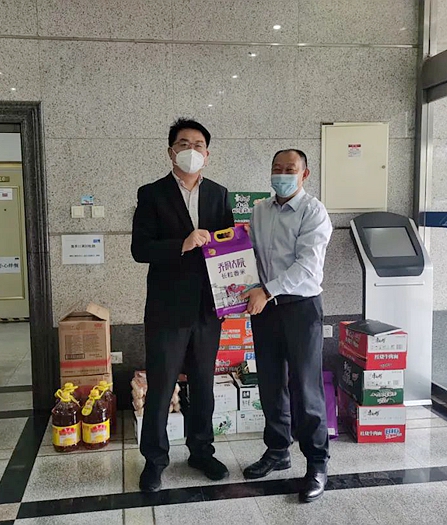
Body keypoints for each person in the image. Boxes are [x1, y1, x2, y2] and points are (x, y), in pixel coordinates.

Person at [131, 118, 234, 493]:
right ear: (171, 151)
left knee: (203, 386)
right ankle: (154, 461)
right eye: (184, 144)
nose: (192, 150)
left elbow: (228, 248)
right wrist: (182, 244)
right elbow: (140, 249)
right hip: (167, 309)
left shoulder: (219, 194)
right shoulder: (152, 194)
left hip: (208, 309)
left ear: (208, 154)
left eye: (198, 145)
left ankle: (201, 451)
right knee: (161, 388)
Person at [240, 149, 332, 503]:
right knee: (270, 383)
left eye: (289, 169)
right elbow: (252, 256)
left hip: (300, 308)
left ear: (304, 174)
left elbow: (308, 266)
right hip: (265, 310)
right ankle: (278, 450)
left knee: (306, 388)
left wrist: (266, 291)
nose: (282, 174)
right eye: (276, 168)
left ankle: (317, 463)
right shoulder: (260, 210)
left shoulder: (313, 211)